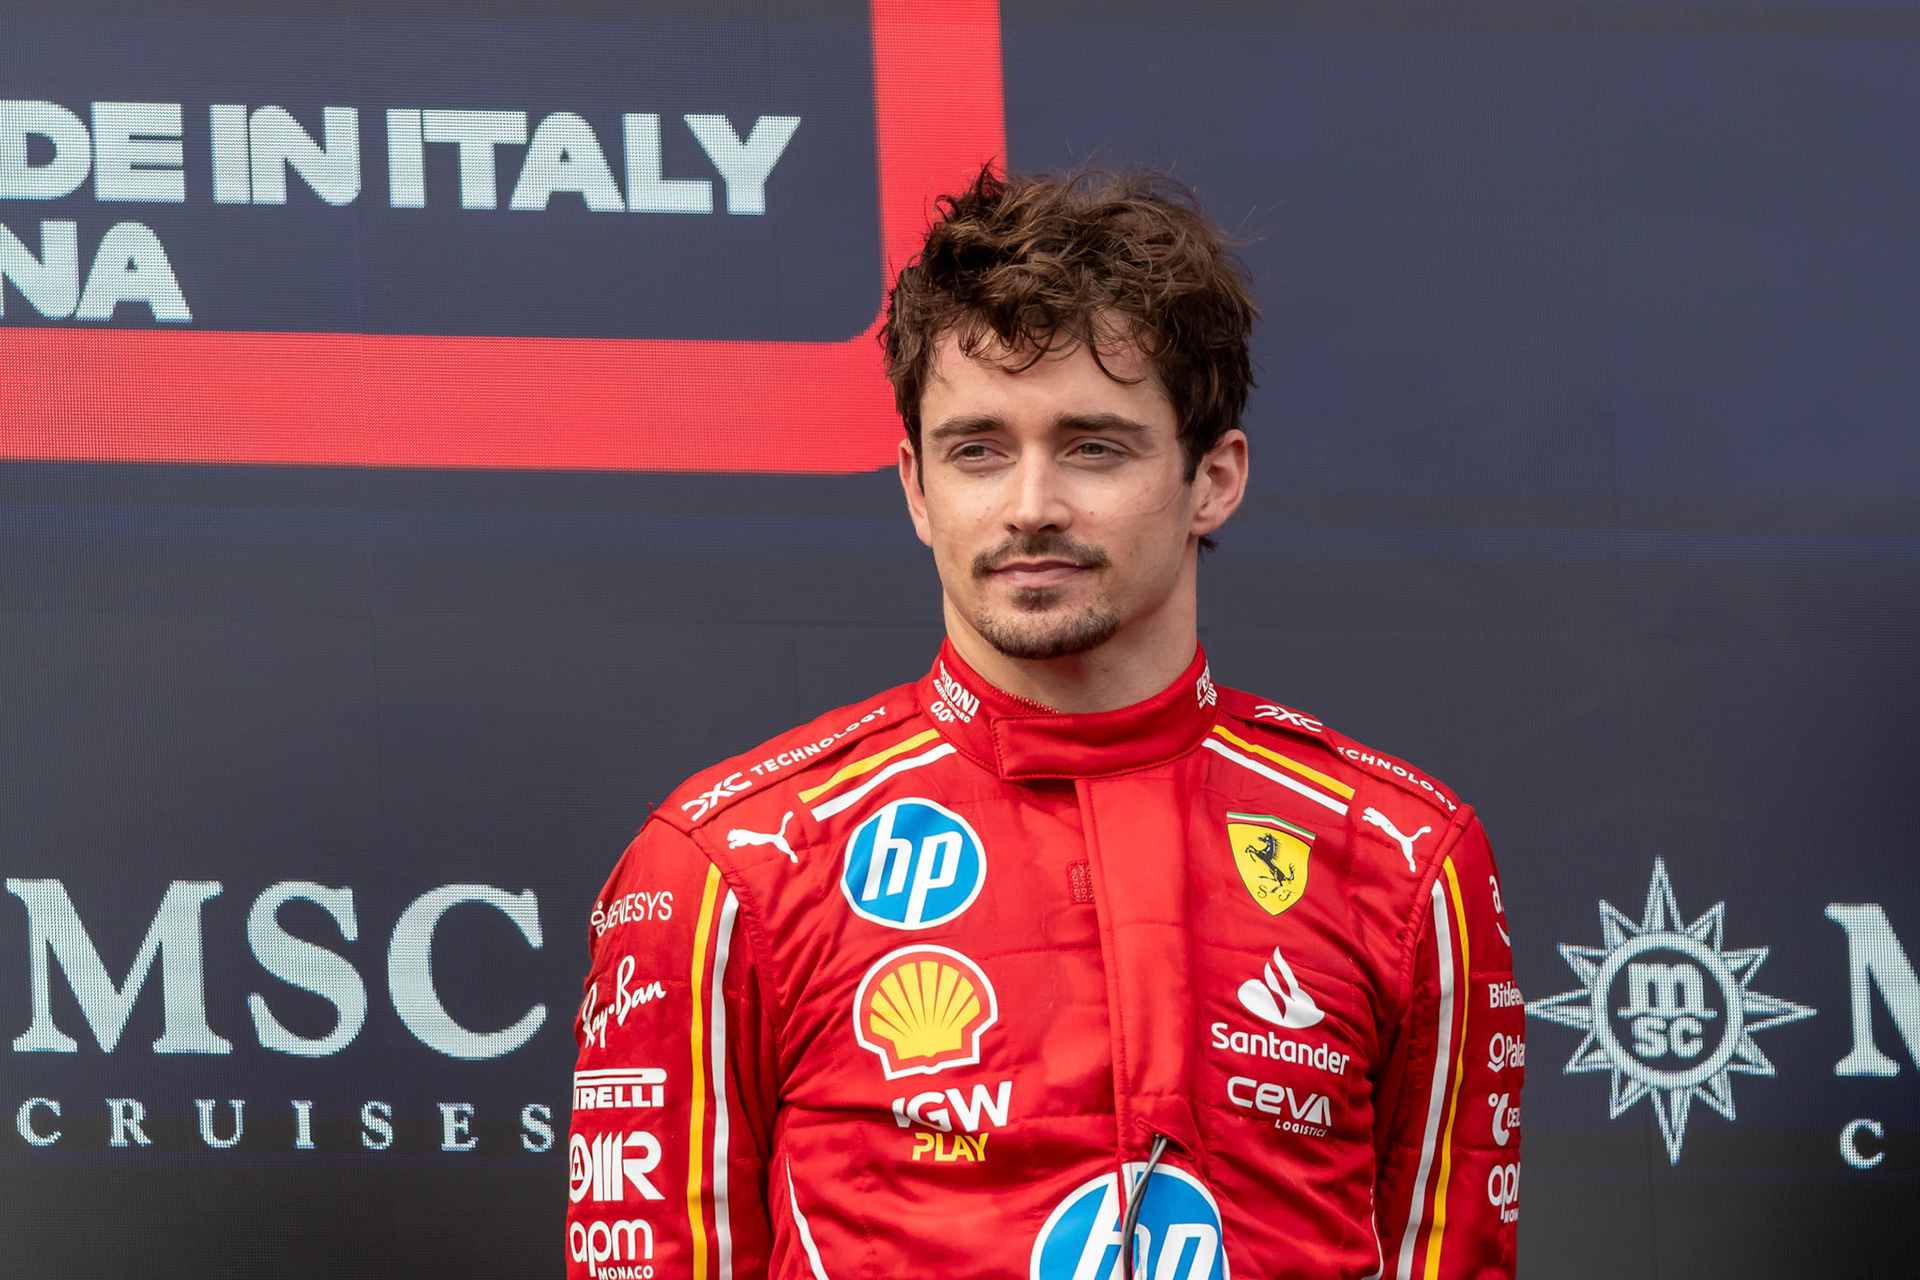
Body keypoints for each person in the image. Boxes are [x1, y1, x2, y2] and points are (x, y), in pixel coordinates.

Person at [565, 168, 1523, 1280]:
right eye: (977, 449)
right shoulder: (729, 868)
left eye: (1092, 446)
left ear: (1214, 479)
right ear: (917, 487)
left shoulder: (1407, 863)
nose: (1029, 506)